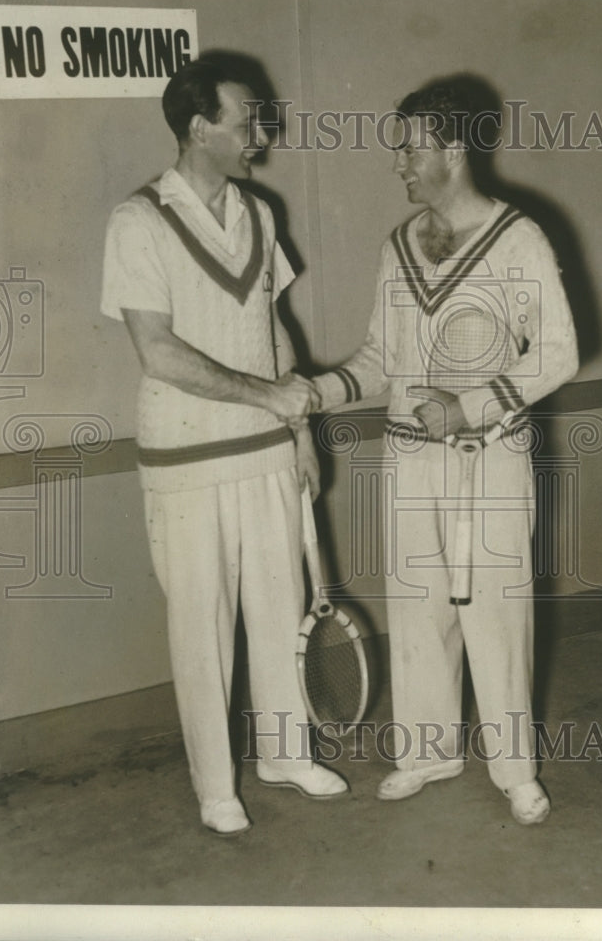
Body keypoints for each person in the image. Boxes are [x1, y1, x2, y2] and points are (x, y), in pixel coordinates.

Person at [310, 75, 578, 825]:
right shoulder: (396, 247)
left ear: (452, 151)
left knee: (495, 613)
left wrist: (470, 403)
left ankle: (514, 771)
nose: (398, 162)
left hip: (488, 459)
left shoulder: (519, 237)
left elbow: (558, 351)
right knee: (418, 608)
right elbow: (378, 355)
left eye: (409, 148)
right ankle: (427, 752)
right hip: (408, 460)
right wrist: (324, 390)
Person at [101, 53, 348, 837]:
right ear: (198, 126)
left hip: (266, 453)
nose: (259, 133)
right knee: (201, 627)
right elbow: (159, 353)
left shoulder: (259, 212)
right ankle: (216, 785)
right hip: (185, 459)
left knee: (279, 610)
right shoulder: (136, 219)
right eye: (247, 120)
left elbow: (271, 328)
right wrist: (266, 398)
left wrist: (298, 430)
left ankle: (283, 753)